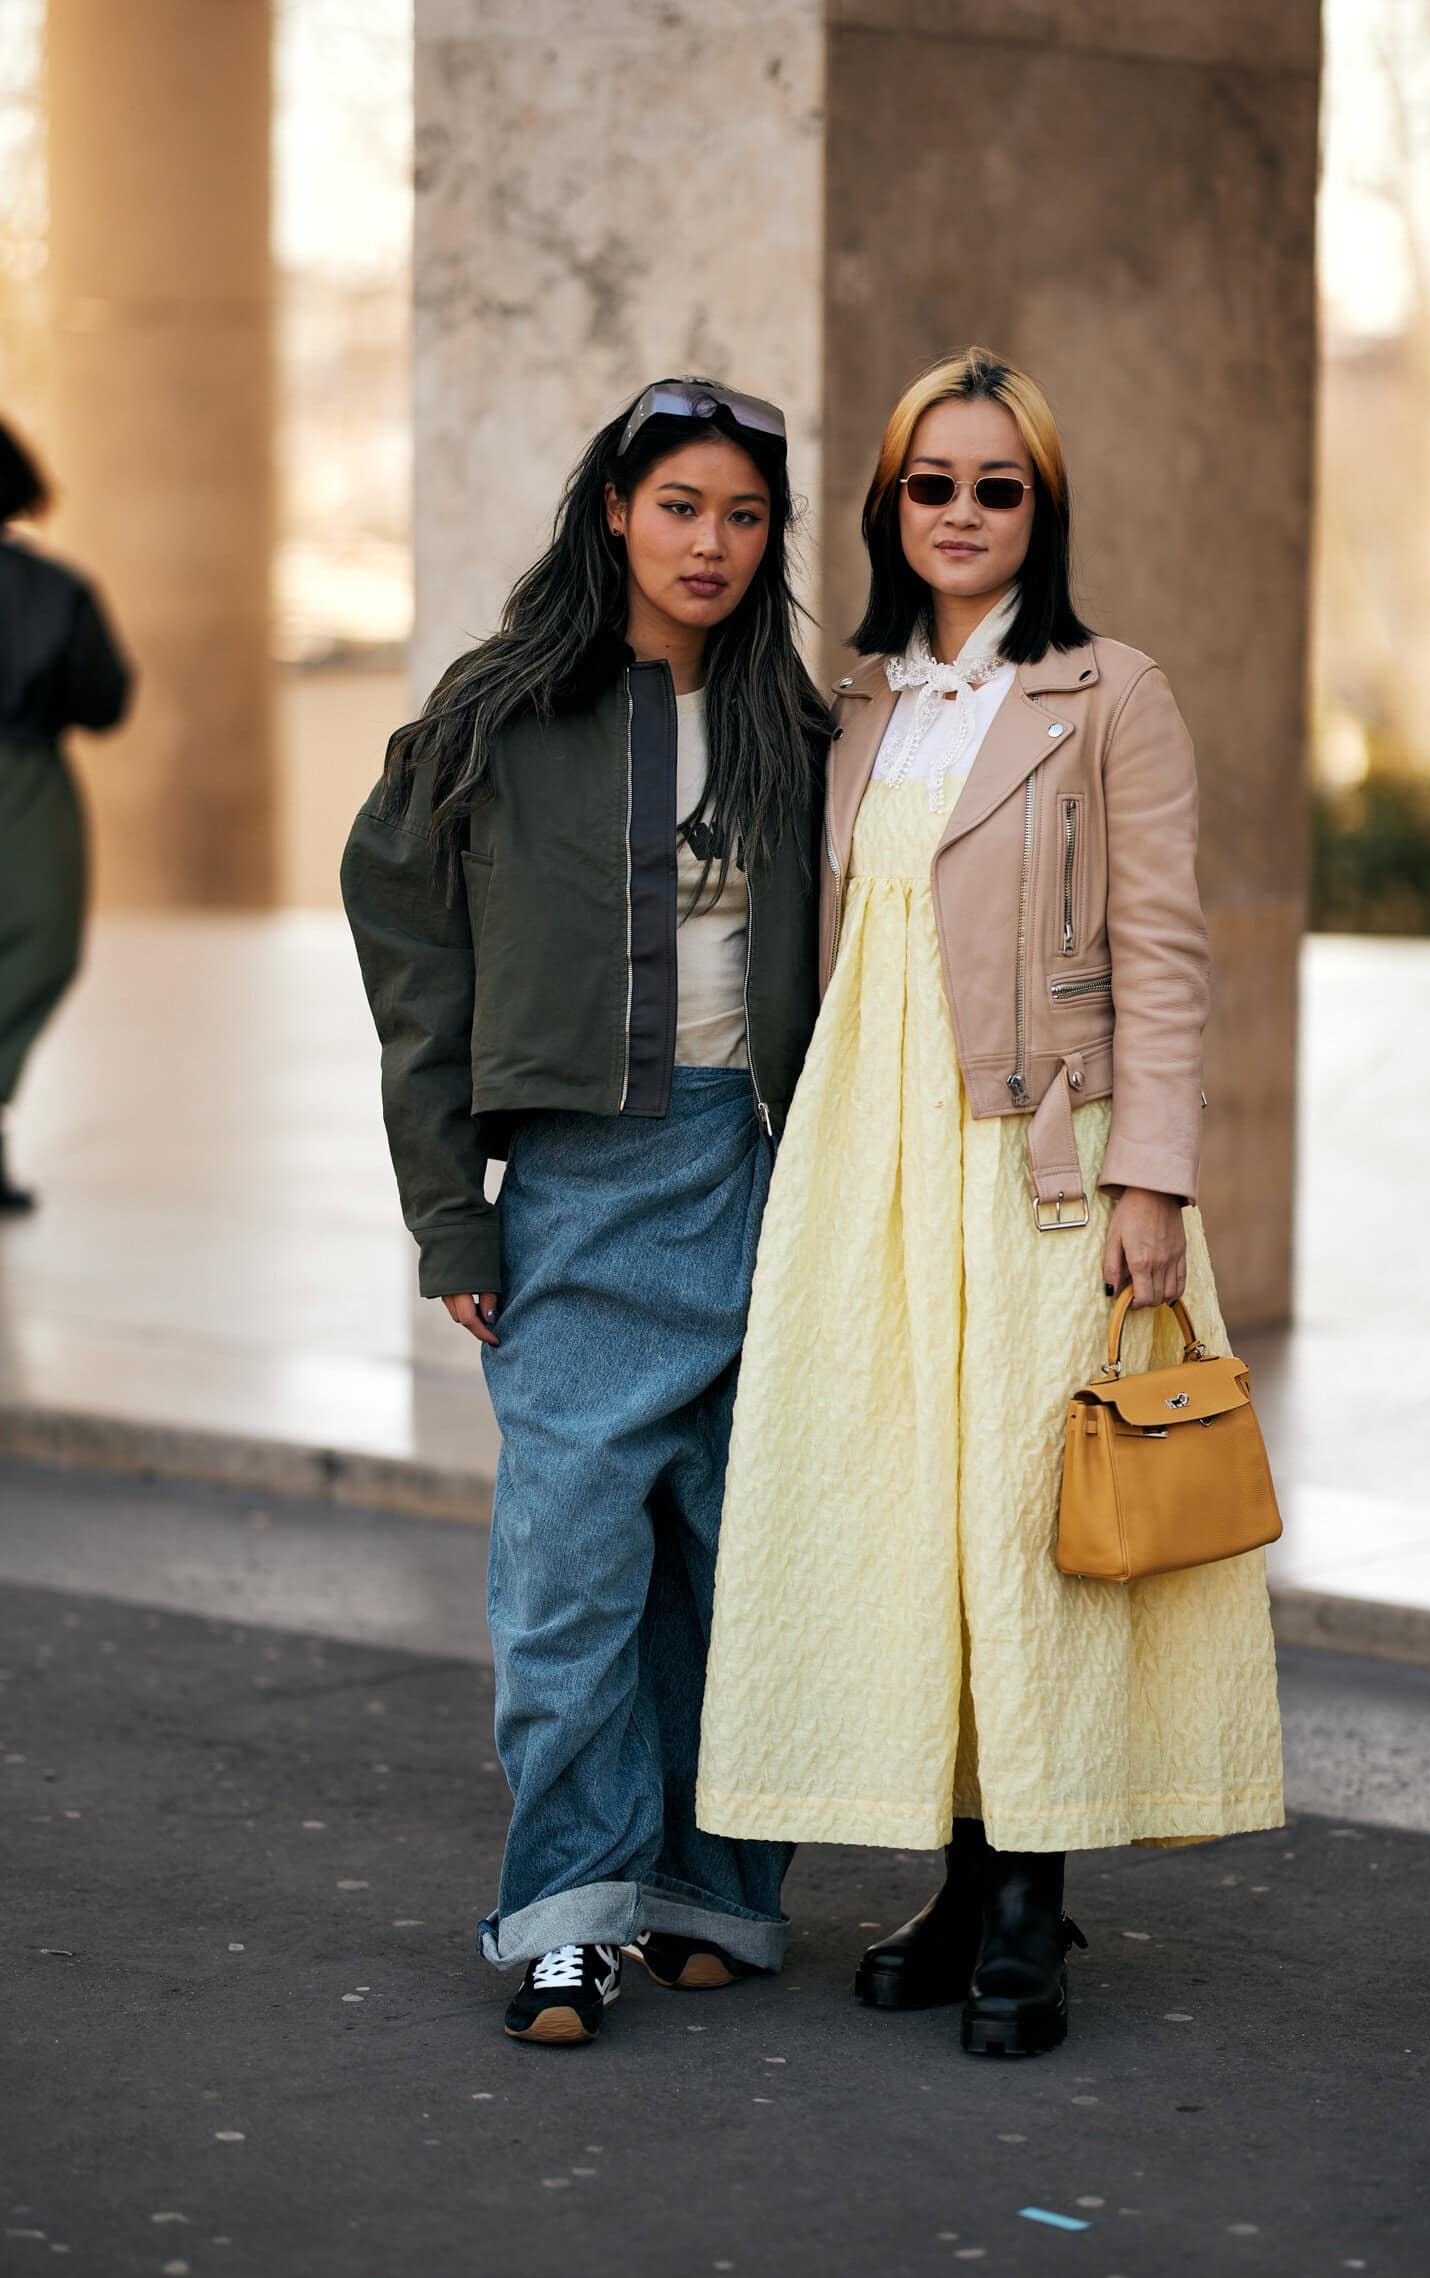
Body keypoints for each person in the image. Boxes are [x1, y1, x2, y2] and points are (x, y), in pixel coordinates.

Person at [697, 347, 1283, 2058]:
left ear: (1042, 508)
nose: (961, 513)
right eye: (931, 485)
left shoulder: (1112, 693)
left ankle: (1030, 1893)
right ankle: (956, 1876)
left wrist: (1154, 1178)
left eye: (995, 486)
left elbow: (1167, 950)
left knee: (1033, 1525)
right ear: (891, 505)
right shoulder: (858, 700)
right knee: (913, 1520)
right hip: (865, 1161)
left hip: (1041, 1159)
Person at [342, 379, 829, 2047]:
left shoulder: (799, 723)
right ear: (616, 509)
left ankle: (711, 1893)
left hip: (762, 1177)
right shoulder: (499, 713)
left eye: (746, 515)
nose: (713, 544)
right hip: (577, 1189)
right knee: (563, 1579)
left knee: (730, 1569)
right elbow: (416, 973)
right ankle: (568, 1906)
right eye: (682, 505)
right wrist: (452, 1220)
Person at [0, 420, 130, 1212]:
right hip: (25, 778)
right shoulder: (53, 590)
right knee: (37, 946)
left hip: (25, 771)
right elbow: (104, 699)